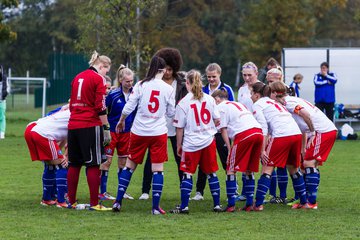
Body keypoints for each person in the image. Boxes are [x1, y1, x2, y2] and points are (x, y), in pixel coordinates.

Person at [112, 56, 175, 215]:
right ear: (163, 70)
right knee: (158, 170)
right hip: (158, 132)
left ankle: (118, 201)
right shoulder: (168, 88)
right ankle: (155, 208)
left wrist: (121, 121)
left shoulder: (140, 85)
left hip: (139, 131)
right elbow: (171, 112)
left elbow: (129, 107)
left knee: (129, 166)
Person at [270, 81, 337, 209]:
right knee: (309, 164)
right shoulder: (290, 101)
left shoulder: (288, 103)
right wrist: (303, 148)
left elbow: (306, 115)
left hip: (322, 131)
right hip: (324, 130)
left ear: (275, 93)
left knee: (308, 164)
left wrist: (312, 132)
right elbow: (301, 126)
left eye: (270, 93)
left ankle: (311, 202)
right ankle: (306, 201)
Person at [170, 69, 222, 214]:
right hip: (208, 141)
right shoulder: (209, 99)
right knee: (212, 173)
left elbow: (179, 128)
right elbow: (217, 119)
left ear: (187, 83)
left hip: (191, 143)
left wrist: (179, 145)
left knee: (187, 173)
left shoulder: (183, 103)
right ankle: (217, 205)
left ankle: (184, 206)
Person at [139, 48, 187, 201]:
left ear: (175, 68)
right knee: (151, 159)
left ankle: (183, 187)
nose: (167, 72)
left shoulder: (181, 83)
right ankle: (145, 190)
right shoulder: (153, 82)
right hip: (157, 125)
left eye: (170, 69)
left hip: (175, 125)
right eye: (165, 68)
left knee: (180, 156)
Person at [250, 82, 307, 211]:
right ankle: (304, 202)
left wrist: (262, 150)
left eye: (251, 94)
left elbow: (263, 129)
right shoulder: (274, 102)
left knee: (267, 168)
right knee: (293, 169)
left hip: (282, 135)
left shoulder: (257, 105)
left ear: (257, 95)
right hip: (296, 134)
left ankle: (258, 204)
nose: (250, 97)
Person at [67, 51, 112, 211]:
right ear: (101, 66)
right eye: (106, 70)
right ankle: (95, 203)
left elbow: (72, 103)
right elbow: (100, 105)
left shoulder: (77, 76)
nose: (106, 74)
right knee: (93, 164)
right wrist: (106, 127)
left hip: (73, 124)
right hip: (89, 124)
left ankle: (70, 202)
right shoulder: (97, 78)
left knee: (74, 164)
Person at [213, 89, 263, 212]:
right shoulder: (237, 104)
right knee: (249, 169)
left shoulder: (220, 107)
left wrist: (229, 149)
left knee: (230, 168)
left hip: (244, 134)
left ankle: (230, 205)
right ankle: (250, 203)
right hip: (258, 132)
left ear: (218, 99)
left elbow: (223, 129)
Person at [191, 63, 234, 201]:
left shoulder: (227, 89)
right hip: (205, 131)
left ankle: (232, 191)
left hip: (221, 131)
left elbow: (231, 107)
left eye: (213, 77)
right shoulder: (202, 89)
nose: (211, 79)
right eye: (209, 77)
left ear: (219, 75)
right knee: (203, 162)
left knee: (226, 160)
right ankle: (199, 192)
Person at [99, 65, 136, 201]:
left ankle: (122, 191)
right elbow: (103, 111)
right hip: (113, 132)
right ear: (121, 80)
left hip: (127, 133)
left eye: (132, 81)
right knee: (107, 161)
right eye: (127, 81)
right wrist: (105, 129)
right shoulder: (113, 95)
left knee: (123, 162)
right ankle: (103, 192)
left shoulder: (135, 94)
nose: (130, 83)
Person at [24, 104, 70, 208]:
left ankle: (47, 199)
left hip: (31, 129)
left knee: (50, 164)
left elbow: (62, 136)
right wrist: (65, 157)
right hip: (42, 133)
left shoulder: (64, 110)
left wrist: (61, 155)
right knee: (62, 164)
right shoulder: (78, 114)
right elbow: (72, 138)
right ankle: (62, 202)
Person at [0, 64, 8, 139]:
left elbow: (8, 88)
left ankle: (2, 134)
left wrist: (4, 95)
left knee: (2, 117)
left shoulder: (4, 78)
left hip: (2, 101)